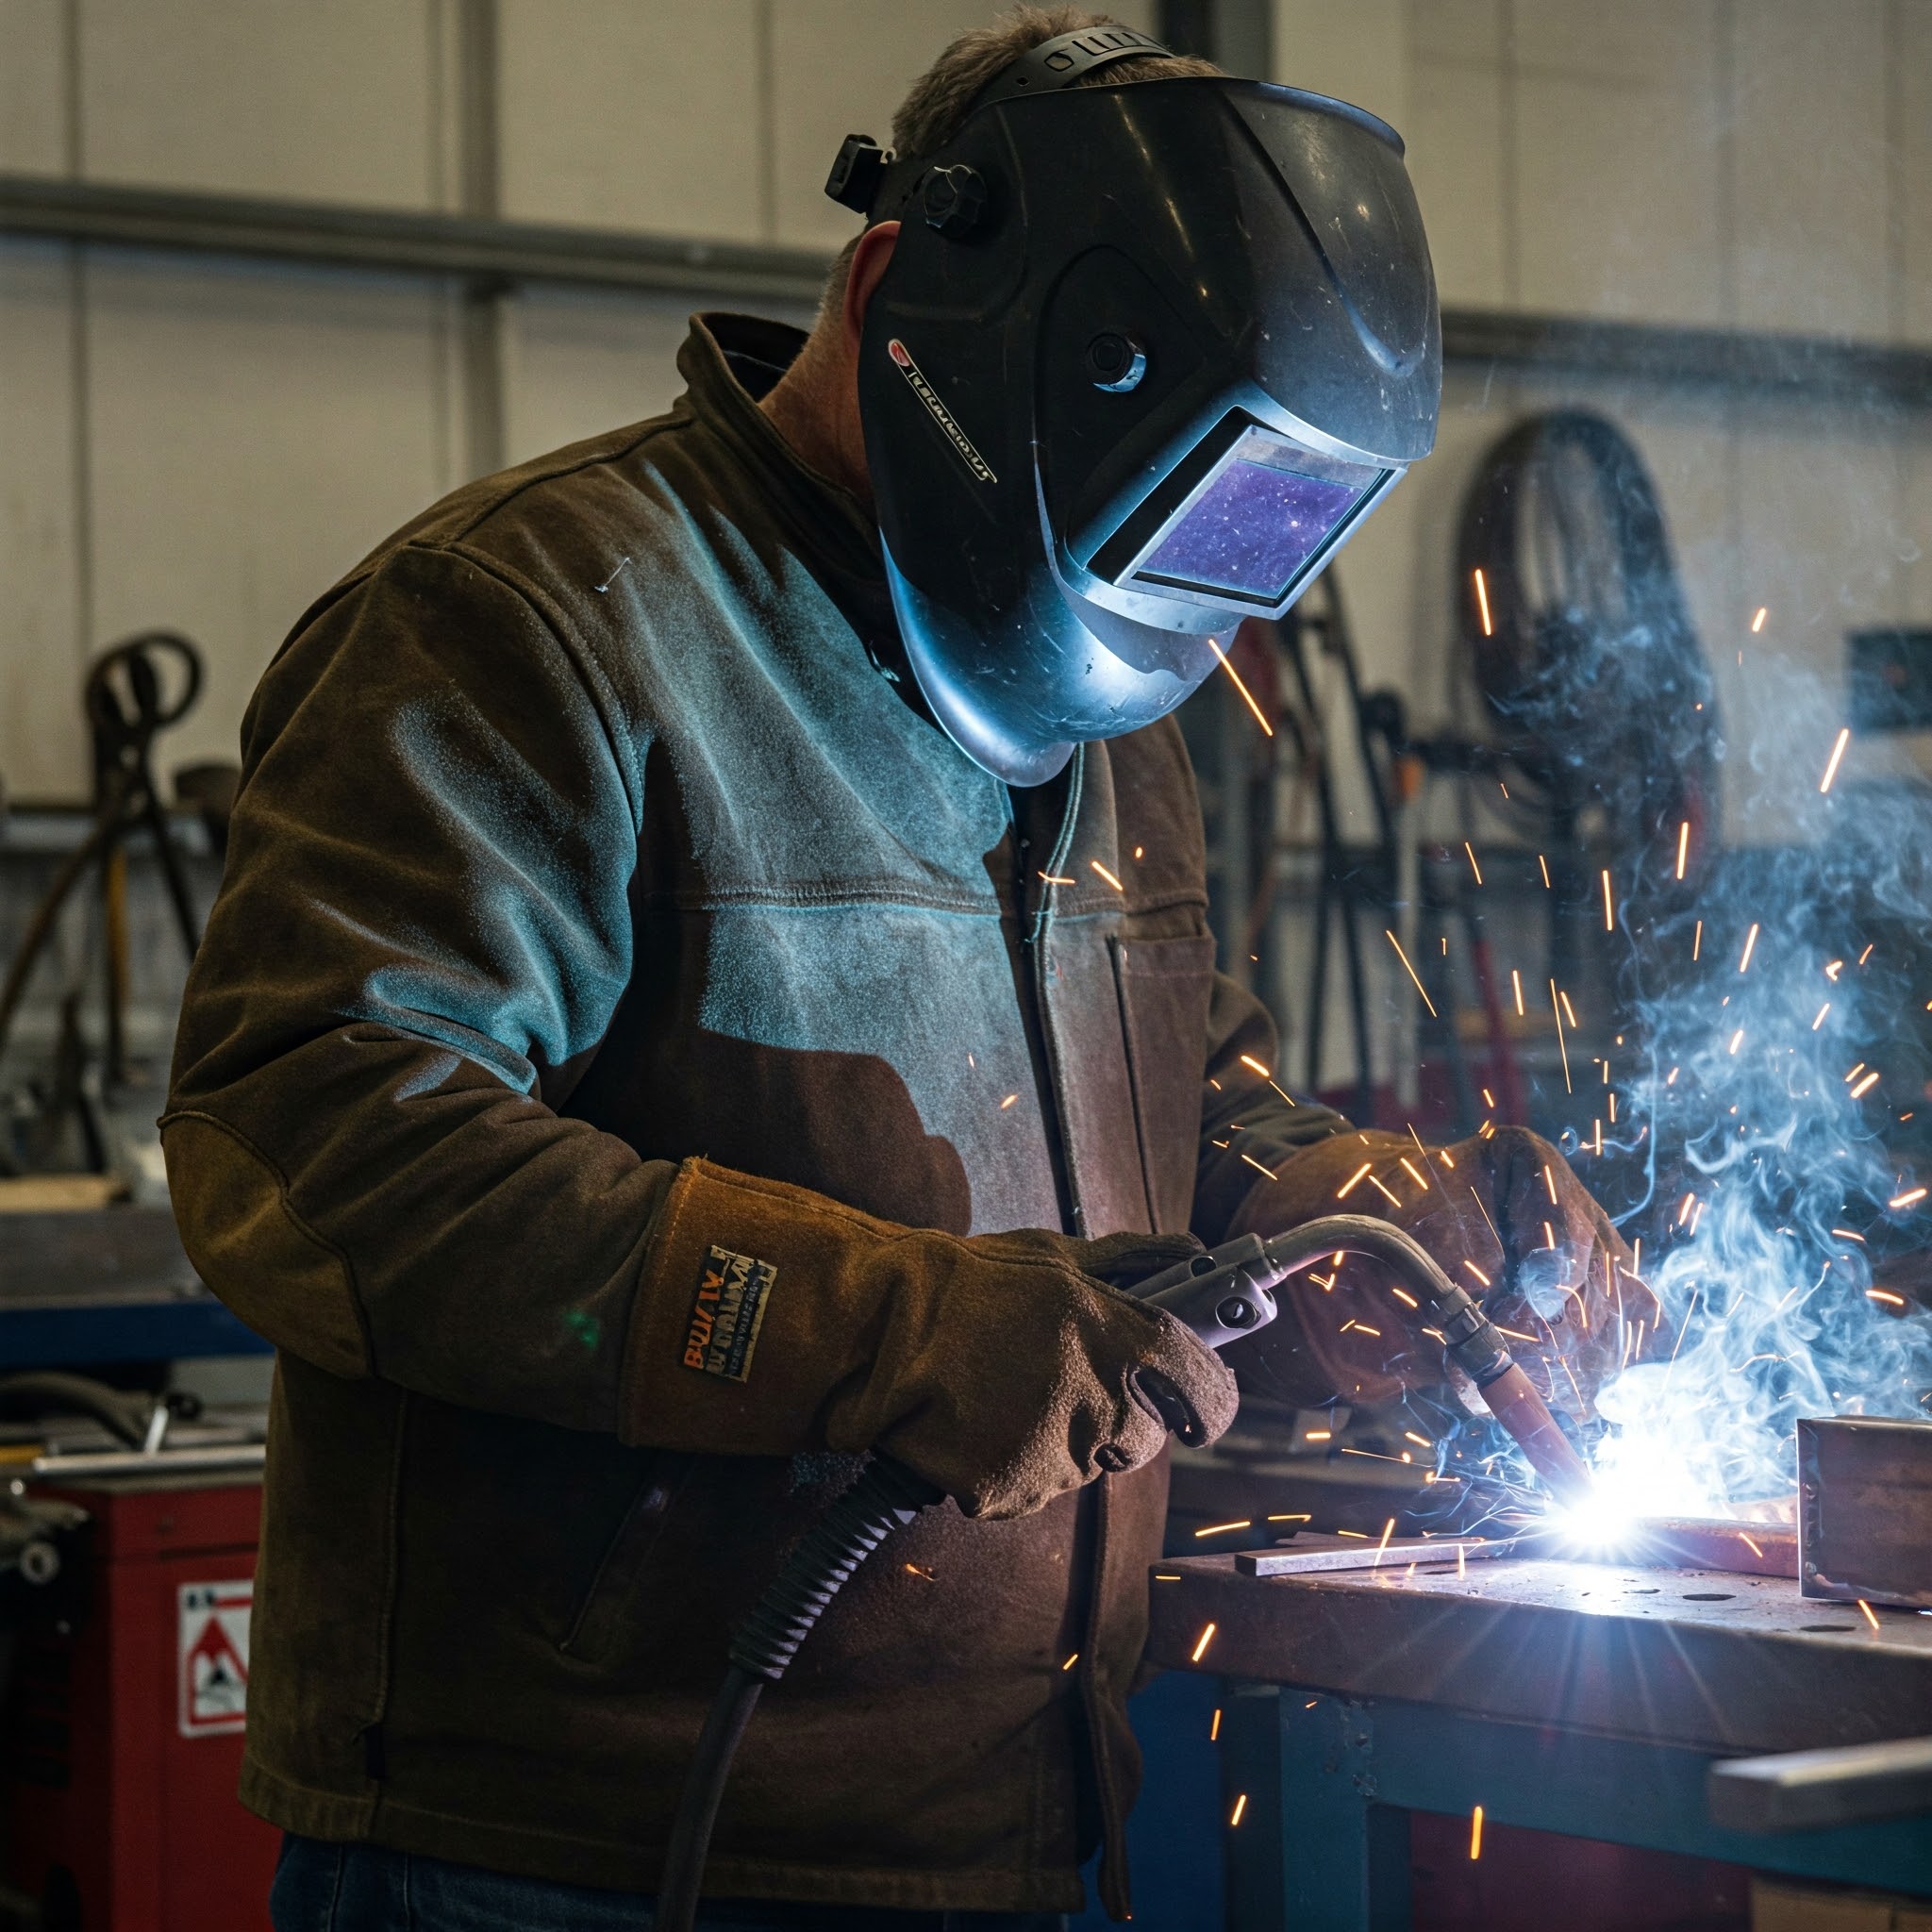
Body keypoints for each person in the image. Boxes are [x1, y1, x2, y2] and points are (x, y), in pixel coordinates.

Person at [162, 10, 1630, 1930]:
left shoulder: (1119, 716)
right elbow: (313, 1139)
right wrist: (887, 1329)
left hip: (1000, 1831)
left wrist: (1326, 1211)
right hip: (566, 1854)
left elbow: (1177, 1096)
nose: (1150, 581)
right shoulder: (535, 626)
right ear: (894, 296)